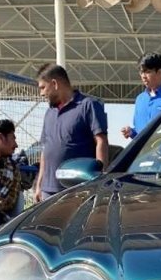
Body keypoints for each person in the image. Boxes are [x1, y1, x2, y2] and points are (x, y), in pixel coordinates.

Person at [34, 64, 109, 203]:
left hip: (77, 190)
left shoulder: (88, 105)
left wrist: (100, 179)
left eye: (43, 87)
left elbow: (101, 141)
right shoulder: (49, 113)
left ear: (55, 84)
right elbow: (46, 150)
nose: (41, 93)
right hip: (48, 191)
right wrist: (39, 185)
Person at [121, 52, 161, 142]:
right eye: (141, 72)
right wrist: (131, 132)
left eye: (147, 72)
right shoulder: (140, 99)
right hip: (142, 155)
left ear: (159, 72)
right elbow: (139, 133)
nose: (143, 76)